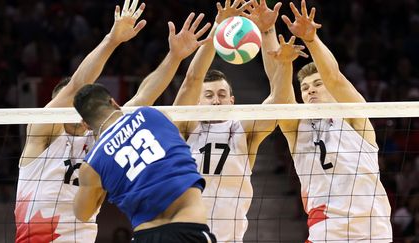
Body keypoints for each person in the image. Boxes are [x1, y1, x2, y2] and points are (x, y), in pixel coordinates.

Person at [14, 0, 212, 241]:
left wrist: (174, 56)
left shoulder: (105, 139)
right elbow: (77, 84)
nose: (76, 108)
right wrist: (112, 39)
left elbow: (144, 95)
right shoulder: (41, 132)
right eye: (69, 104)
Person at [173, 0, 306, 241]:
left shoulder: (243, 130)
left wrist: (268, 33)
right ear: (197, 102)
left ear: (232, 101)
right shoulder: (184, 127)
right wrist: (218, 27)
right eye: (210, 95)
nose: (216, 101)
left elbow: (279, 100)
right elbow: (192, 78)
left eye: (222, 95)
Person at [272, 0, 392, 241]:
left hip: (372, 231)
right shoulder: (297, 128)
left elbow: (335, 79)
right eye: (304, 88)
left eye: (317, 84)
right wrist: (282, 59)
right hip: (325, 232)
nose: (310, 91)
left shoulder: (355, 118)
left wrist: (311, 39)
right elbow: (281, 101)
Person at [72, 84, 217, 243]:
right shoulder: (152, 114)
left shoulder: (93, 163)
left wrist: (101, 183)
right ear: (114, 103)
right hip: (188, 228)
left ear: (85, 124)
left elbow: (82, 214)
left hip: (145, 237)